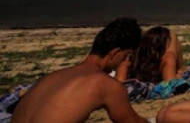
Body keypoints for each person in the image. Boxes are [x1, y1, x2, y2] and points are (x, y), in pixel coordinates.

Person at [12, 17, 147, 123]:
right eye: (126, 56)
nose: (126, 62)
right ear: (115, 53)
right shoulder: (105, 84)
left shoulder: (52, 77)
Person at [115, 26, 184, 84]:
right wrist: (178, 76)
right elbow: (171, 85)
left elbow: (118, 83)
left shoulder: (131, 59)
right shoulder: (167, 58)